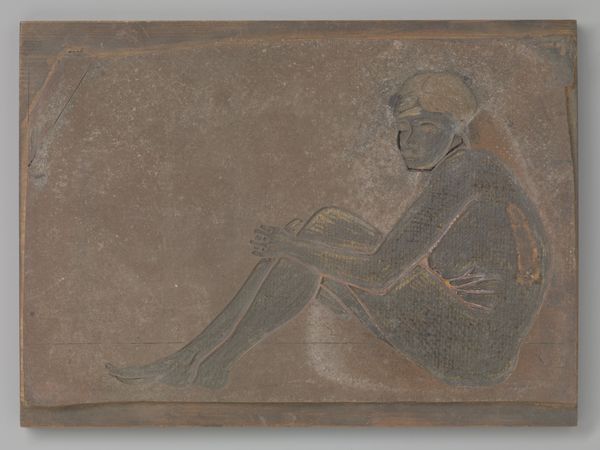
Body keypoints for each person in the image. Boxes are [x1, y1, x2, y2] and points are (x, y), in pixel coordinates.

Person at [107, 72, 547, 388]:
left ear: (458, 129)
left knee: (313, 237)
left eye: (427, 127)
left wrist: (293, 247)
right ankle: (203, 362)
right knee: (315, 234)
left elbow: (380, 273)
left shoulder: (465, 170)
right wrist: (300, 251)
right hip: (477, 344)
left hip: (473, 348)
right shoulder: (468, 170)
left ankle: (200, 362)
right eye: (403, 129)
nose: (410, 141)